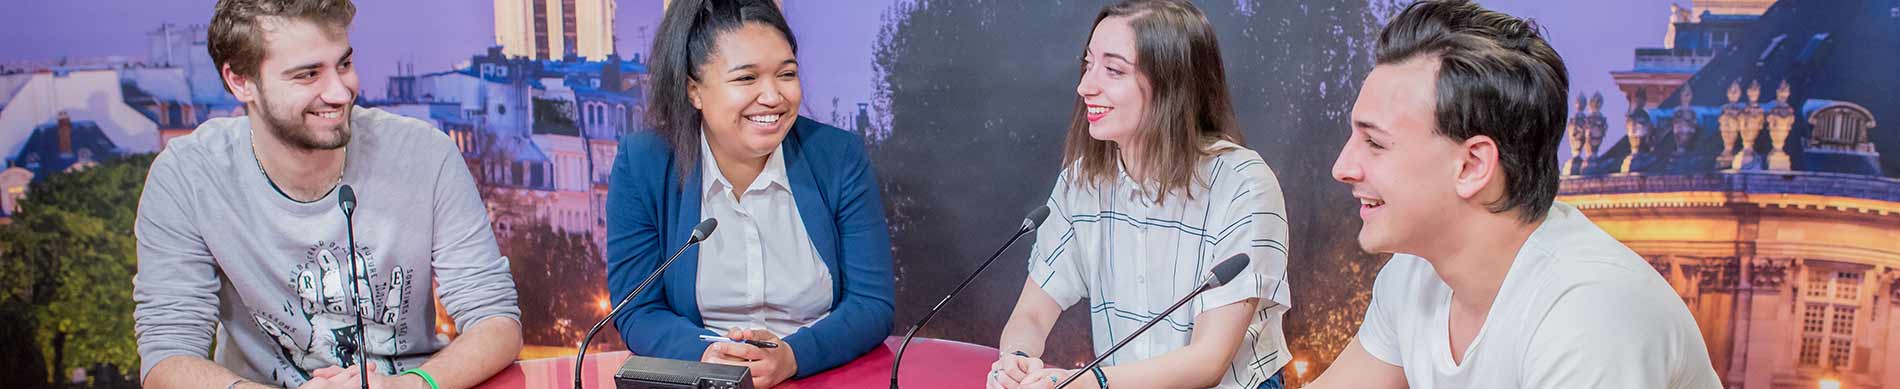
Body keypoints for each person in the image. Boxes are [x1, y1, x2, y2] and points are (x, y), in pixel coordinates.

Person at [1305, 1, 1721, 388]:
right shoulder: (1413, 275)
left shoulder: (1591, 309)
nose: (1343, 168)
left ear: (1472, 166)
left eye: (1375, 143)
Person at [133, 0, 523, 388]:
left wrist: (410, 386)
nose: (340, 93)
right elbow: (167, 359)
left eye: (344, 65)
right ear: (240, 81)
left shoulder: (426, 153)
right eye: (308, 75)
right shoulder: (186, 176)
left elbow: (496, 321)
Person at [989, 1, 1292, 388]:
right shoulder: (1080, 182)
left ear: (1174, 86)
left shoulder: (1244, 185)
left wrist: (1086, 382)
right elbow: (1030, 315)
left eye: (1113, 70)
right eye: (1088, 64)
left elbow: (1208, 361)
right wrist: (1015, 361)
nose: (1085, 86)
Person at [603, 0, 895, 387]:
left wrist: (793, 357)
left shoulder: (838, 156)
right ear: (695, 90)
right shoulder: (644, 163)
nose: (773, 96)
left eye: (786, 74)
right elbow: (637, 309)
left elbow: (871, 305)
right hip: (703, 380)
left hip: (821, 375)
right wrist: (708, 356)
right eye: (746, 79)